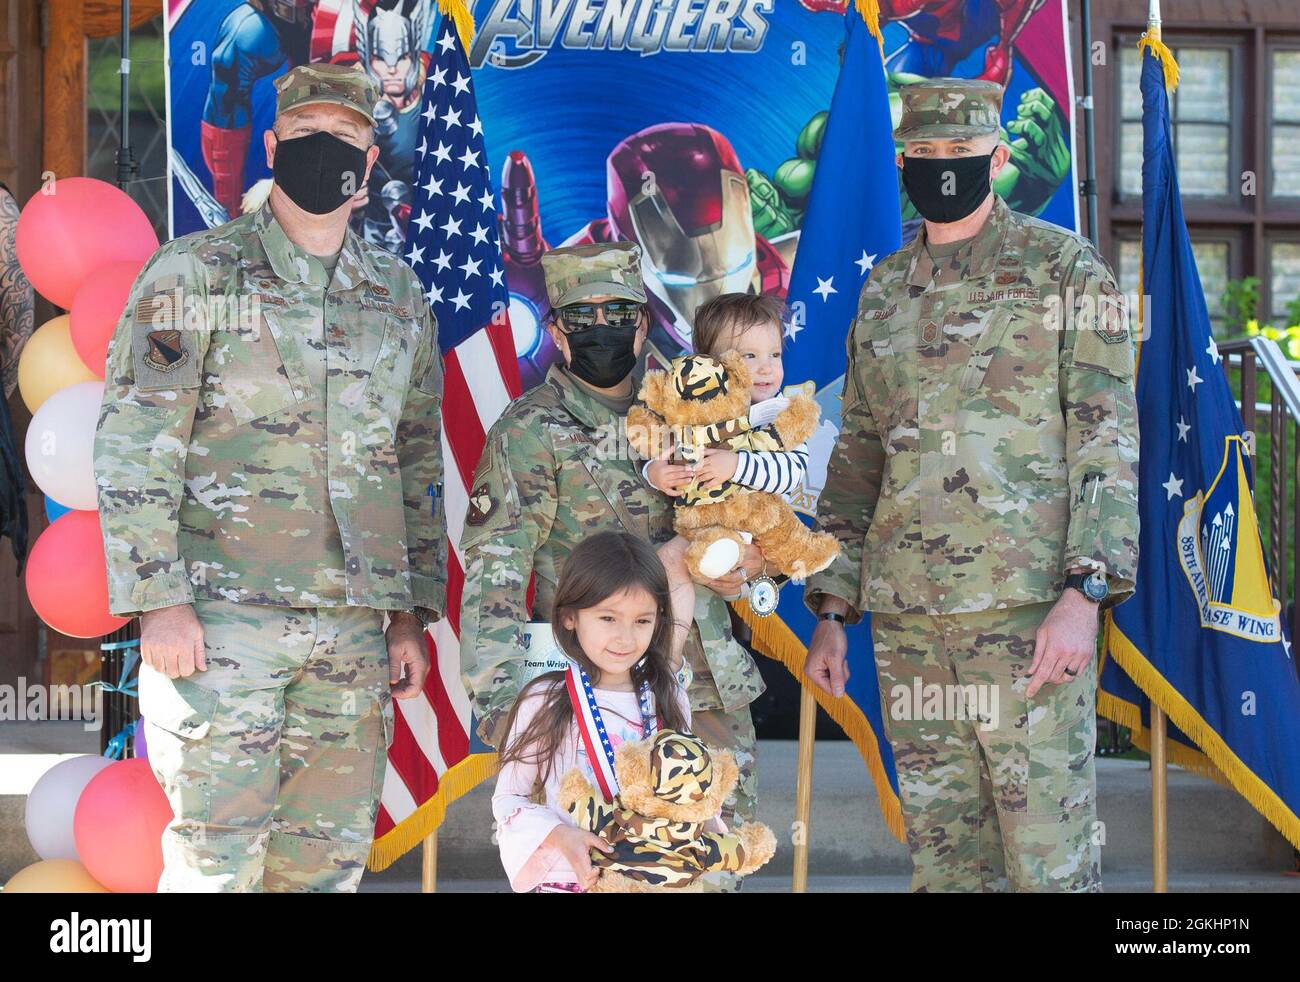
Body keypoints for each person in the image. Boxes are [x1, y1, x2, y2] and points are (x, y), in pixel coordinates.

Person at [93, 63, 446, 892]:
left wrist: (406, 616)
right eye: (310, 136)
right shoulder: (197, 276)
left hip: (353, 631)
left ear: (371, 160)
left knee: (324, 865)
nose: (329, 152)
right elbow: (138, 441)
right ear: (273, 145)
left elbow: (416, 457)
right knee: (218, 860)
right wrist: (161, 602)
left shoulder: (396, 296)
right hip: (219, 623)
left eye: (349, 139)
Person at [803, 78, 1140, 892]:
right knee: (948, 861)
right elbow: (858, 456)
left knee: (1046, 859)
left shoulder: (1065, 270)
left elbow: (1106, 438)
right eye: (926, 156)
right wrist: (831, 611)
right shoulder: (884, 288)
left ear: (996, 156)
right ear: (903, 162)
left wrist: (1083, 595)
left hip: (1027, 615)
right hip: (913, 621)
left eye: (962, 154)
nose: (944, 169)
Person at [459, 242, 766, 889]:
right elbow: (495, 569)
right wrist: (500, 703)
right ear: (555, 332)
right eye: (583, 315)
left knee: (709, 872)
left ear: (644, 321)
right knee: (603, 869)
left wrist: (750, 562)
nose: (603, 326)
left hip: (704, 687)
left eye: (619, 312)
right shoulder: (531, 430)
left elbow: (752, 516)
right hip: (596, 697)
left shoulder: (692, 406)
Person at [493, 530, 693, 892]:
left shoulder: (670, 696)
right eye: (608, 618)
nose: (625, 638)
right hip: (570, 878)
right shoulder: (545, 698)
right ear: (570, 616)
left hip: (650, 881)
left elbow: (688, 791)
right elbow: (509, 798)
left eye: (642, 621)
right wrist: (561, 837)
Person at [644, 293, 811, 667]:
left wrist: (736, 466)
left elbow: (792, 472)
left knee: (673, 561)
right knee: (670, 565)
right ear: (707, 363)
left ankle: (667, 664)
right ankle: (669, 662)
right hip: (706, 524)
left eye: (775, 355)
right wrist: (654, 472)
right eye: (749, 357)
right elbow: (658, 447)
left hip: (754, 530)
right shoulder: (692, 409)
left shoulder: (781, 414)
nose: (766, 369)